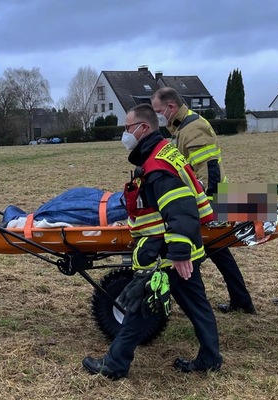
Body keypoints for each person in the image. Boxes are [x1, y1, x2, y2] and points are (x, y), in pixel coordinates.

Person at [82, 104, 222, 379]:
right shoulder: (162, 155)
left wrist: (179, 253)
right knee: (196, 306)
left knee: (140, 306)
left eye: (127, 128)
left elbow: (180, 209)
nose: (125, 134)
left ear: (143, 128)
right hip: (172, 249)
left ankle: (115, 364)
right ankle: (210, 358)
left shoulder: (158, 166)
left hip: (165, 252)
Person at [151, 87, 255, 315]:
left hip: (210, 200)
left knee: (209, 249)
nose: (157, 116)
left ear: (170, 107)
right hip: (210, 199)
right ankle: (242, 300)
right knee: (217, 250)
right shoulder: (183, 127)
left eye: (158, 111)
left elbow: (209, 172)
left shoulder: (193, 128)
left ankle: (229, 302)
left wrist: (204, 210)